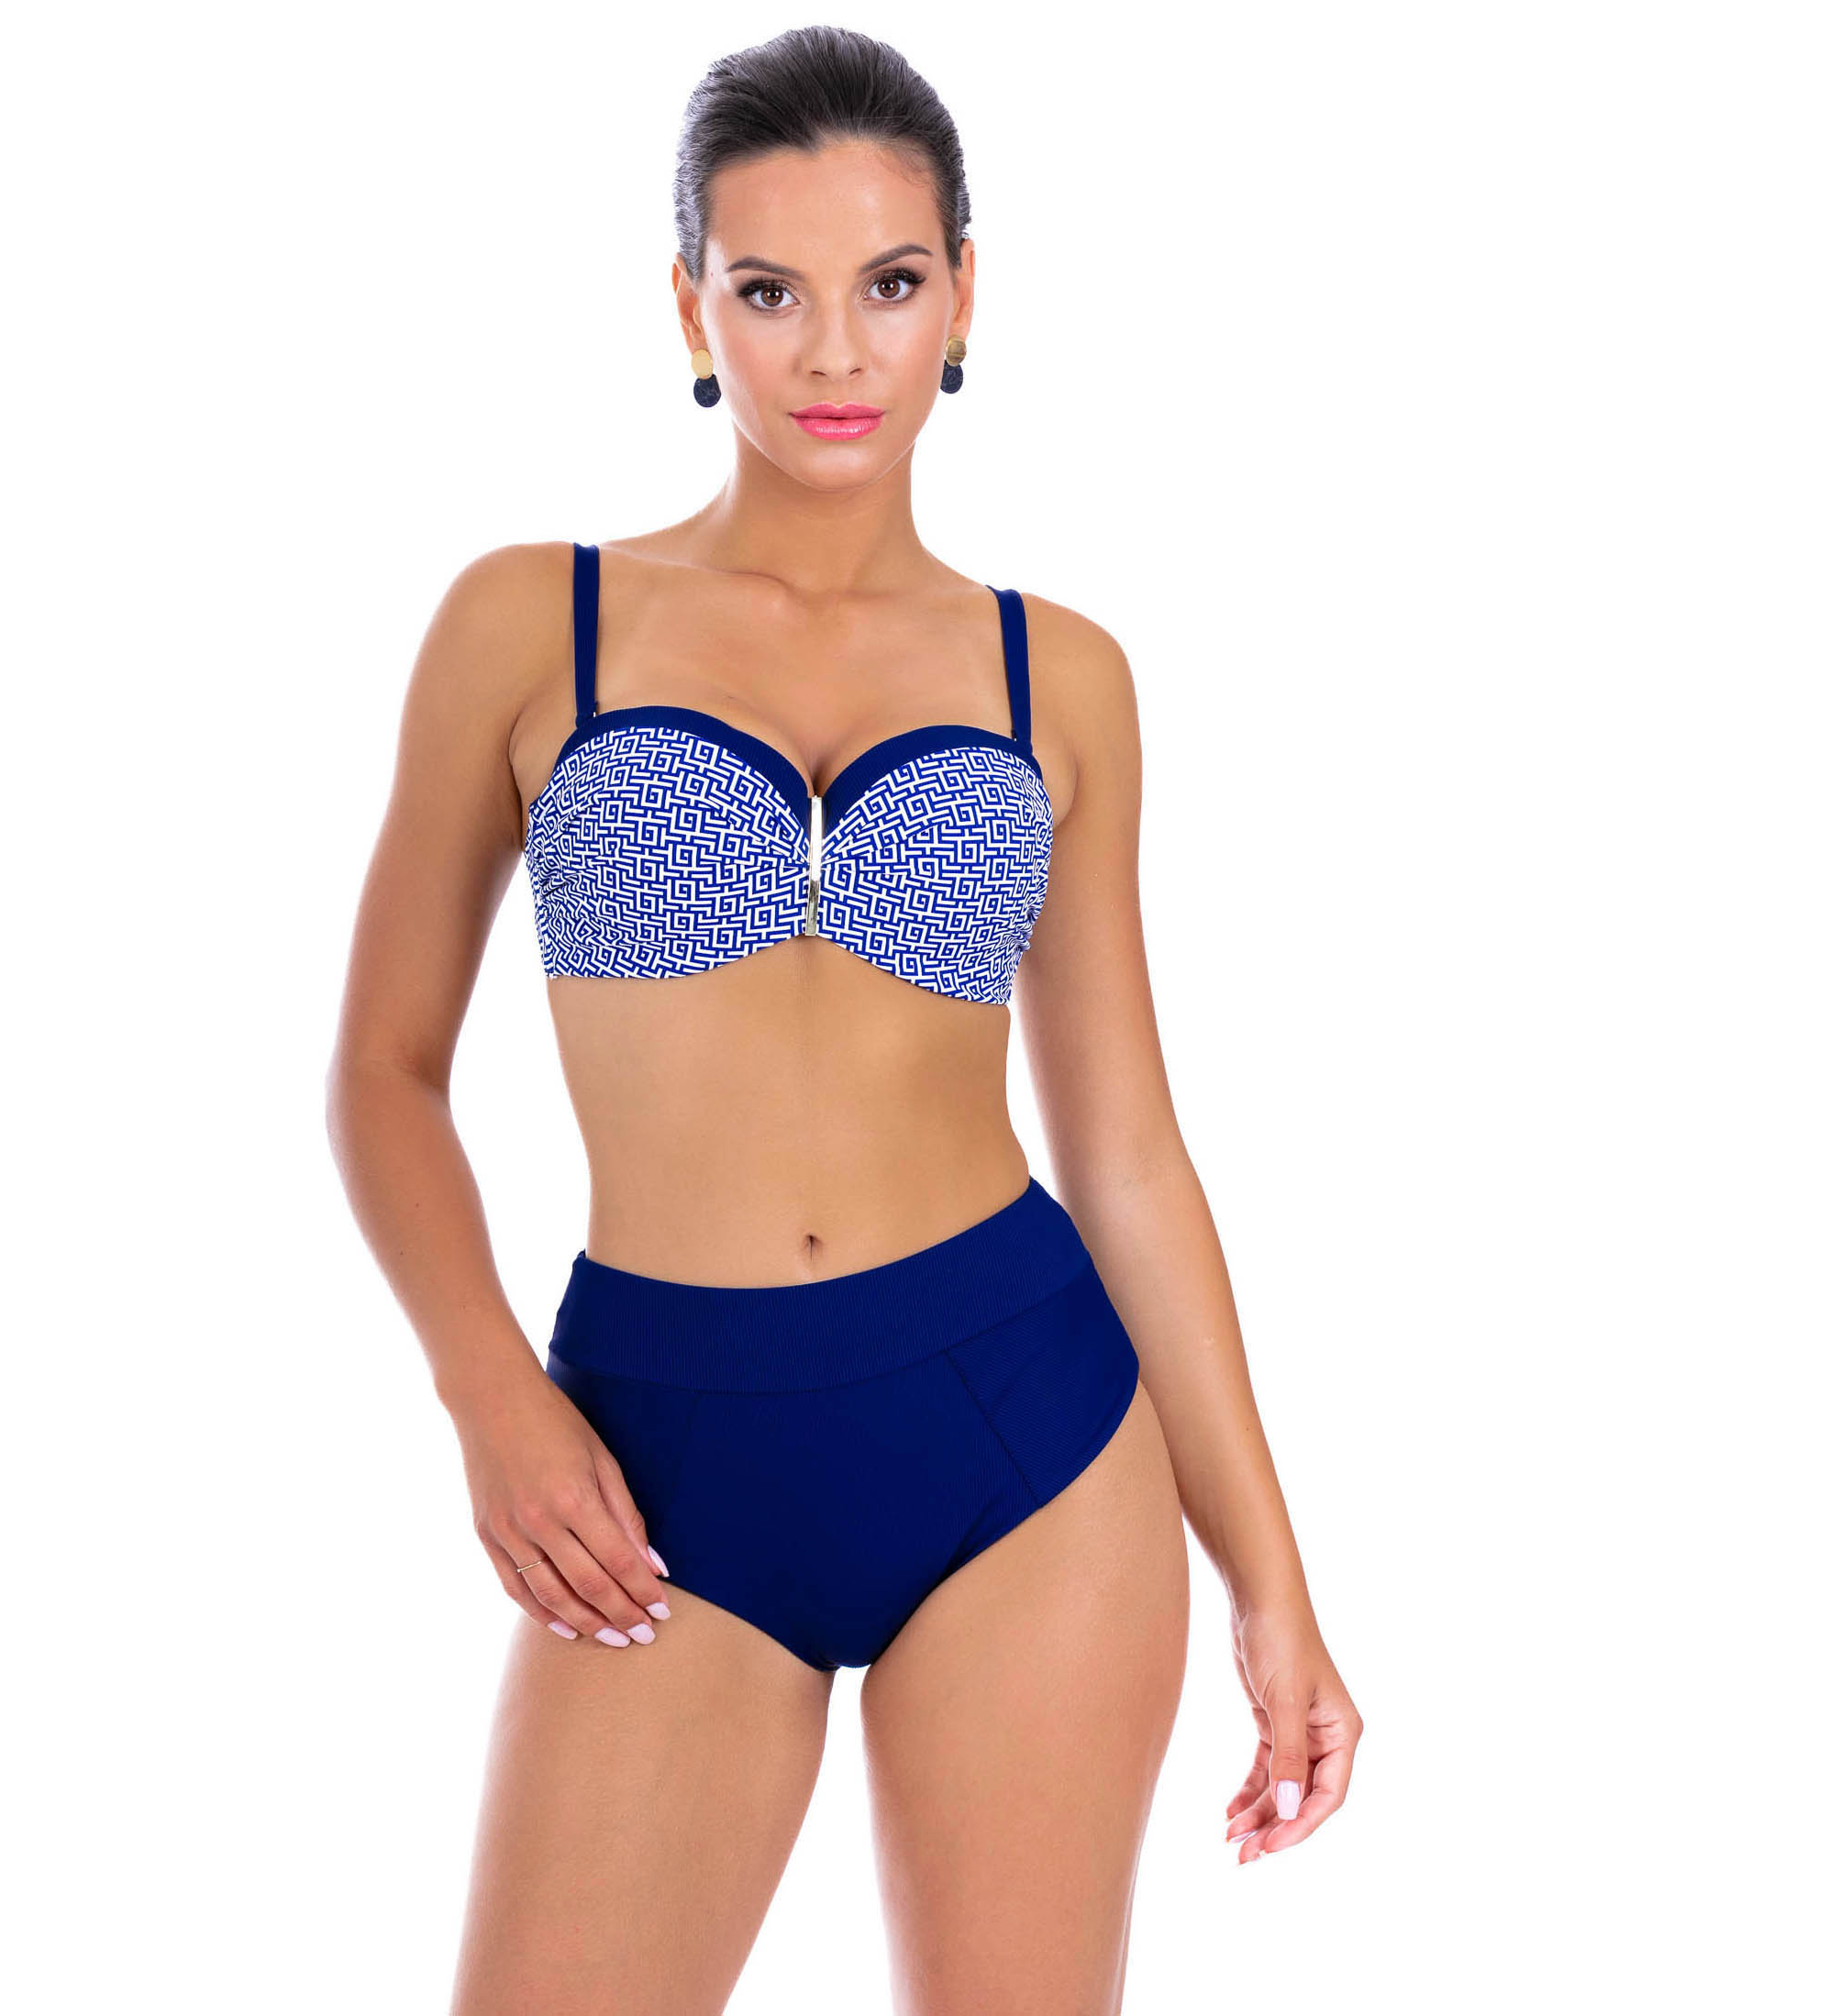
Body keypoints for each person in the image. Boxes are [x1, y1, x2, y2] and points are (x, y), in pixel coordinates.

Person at [326, 25, 1360, 2013]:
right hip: (656, 1454)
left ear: (963, 292)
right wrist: (486, 1392)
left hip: (1025, 1434)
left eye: (887, 283)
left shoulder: (1056, 674)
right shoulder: (531, 623)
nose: (832, 351)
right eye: (768, 289)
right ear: (689, 309)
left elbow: (1128, 1153)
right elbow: (382, 1072)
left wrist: (1272, 1581)